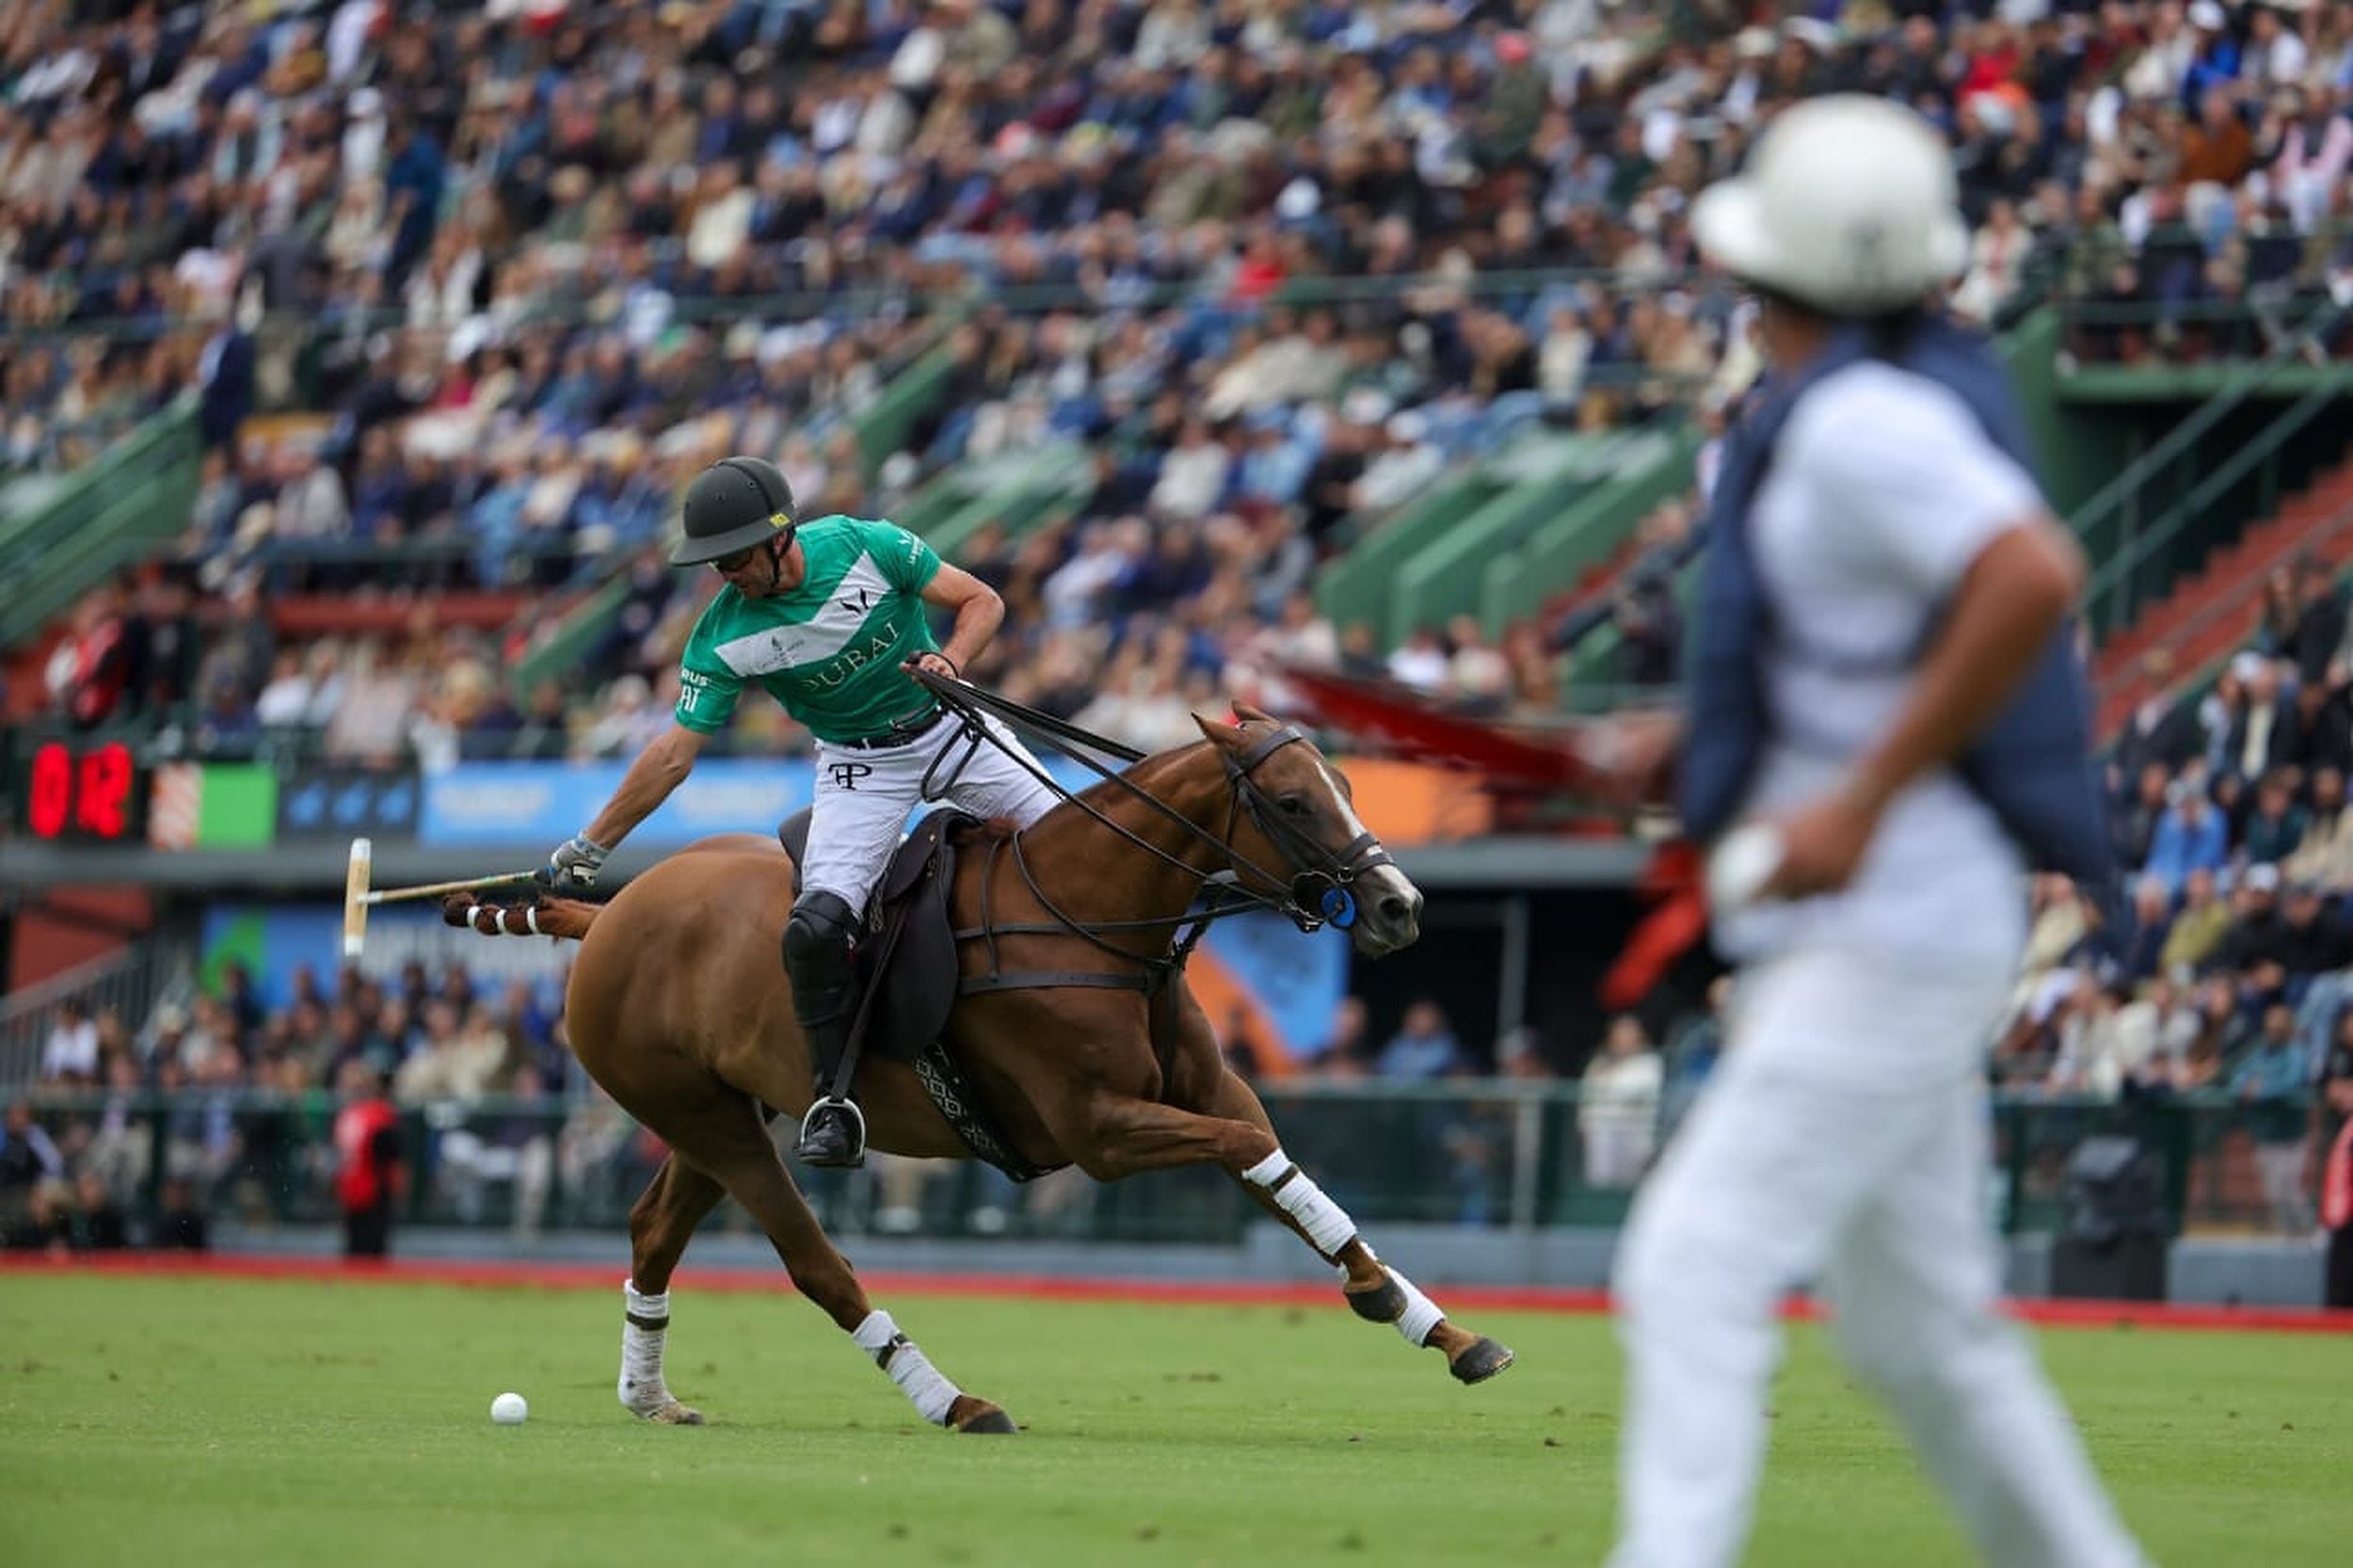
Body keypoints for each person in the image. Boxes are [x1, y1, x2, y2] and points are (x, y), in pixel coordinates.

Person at [1609, 98, 2149, 1568]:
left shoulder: (1854, 421)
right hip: (1893, 922)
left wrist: (1859, 798)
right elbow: (1860, 662)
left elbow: (2032, 573)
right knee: (1924, 1335)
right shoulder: (1881, 401)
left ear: (1758, 273)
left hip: (1890, 928)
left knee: (1694, 1260)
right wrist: (1687, 749)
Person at [541, 456, 1060, 1168]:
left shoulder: (867, 544)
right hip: (859, 768)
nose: (726, 574)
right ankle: (834, 1102)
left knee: (1080, 847)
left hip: (949, 728)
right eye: (715, 563)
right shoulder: (723, 634)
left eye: (735, 558)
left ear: (780, 535)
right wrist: (591, 845)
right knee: (815, 928)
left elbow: (982, 601)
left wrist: (953, 659)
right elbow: (672, 755)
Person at [332, 1058, 404, 1259]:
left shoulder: (377, 1114)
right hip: (352, 1189)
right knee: (356, 1247)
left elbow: (389, 1153)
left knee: (369, 1248)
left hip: (372, 1189)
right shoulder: (350, 1114)